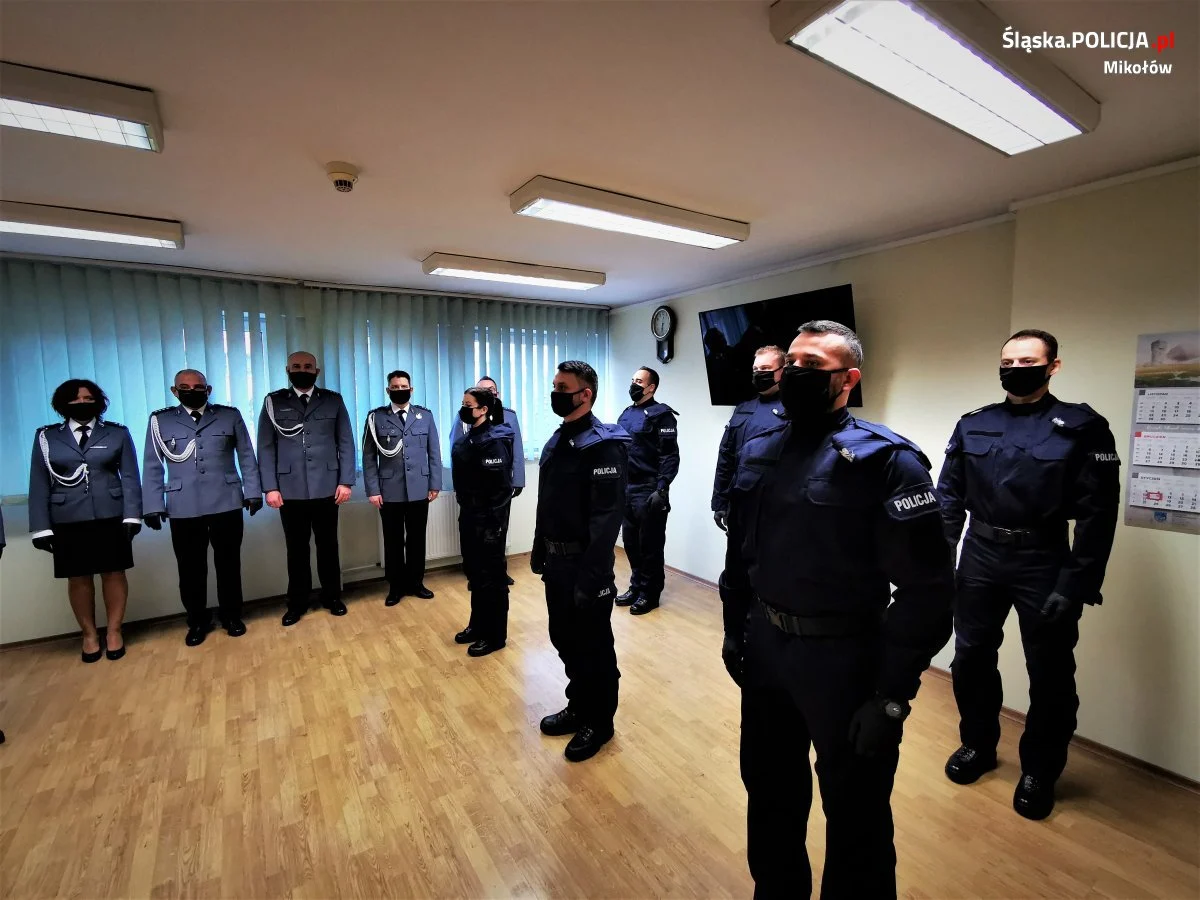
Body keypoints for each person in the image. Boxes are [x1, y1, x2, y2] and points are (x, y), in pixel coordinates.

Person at [725, 321, 954, 899]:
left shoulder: (888, 461)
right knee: (770, 793)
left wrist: (893, 695)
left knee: (856, 815)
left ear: (848, 380)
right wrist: (735, 630)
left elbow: (928, 590)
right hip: (769, 649)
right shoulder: (759, 448)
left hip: (846, 662)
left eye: (812, 367)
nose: (794, 374)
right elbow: (742, 554)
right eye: (791, 363)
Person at [938, 329, 1120, 821]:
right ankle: (977, 745)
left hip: (1043, 560)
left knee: (1051, 671)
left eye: (1027, 361)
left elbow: (1098, 514)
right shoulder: (975, 423)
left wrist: (1077, 582)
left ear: (1052, 366)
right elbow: (949, 496)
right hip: (980, 555)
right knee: (970, 659)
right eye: (1008, 362)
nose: (1016, 369)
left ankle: (1040, 769)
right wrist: (939, 563)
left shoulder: (1082, 427)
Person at [531, 360, 630, 762]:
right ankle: (579, 705)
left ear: (585, 394)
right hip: (557, 564)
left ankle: (599, 722)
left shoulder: (604, 445)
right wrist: (539, 549)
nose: (555, 393)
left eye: (563, 387)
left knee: (594, 648)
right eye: (555, 385)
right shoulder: (560, 440)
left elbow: (606, 521)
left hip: (585, 567)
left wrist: (593, 578)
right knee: (564, 638)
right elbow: (548, 503)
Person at [142, 369, 262, 646]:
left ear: (208, 390)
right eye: (184, 387)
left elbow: (246, 455)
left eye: (198, 387)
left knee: (229, 564)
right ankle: (197, 621)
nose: (192, 391)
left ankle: (231, 616)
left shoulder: (229, 415)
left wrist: (253, 492)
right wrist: (153, 505)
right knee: (190, 569)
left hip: (226, 501)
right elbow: (152, 464)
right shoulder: (160, 421)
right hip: (183, 506)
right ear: (174, 391)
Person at [28, 379, 143, 663]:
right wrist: (40, 527)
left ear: (98, 402)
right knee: (78, 578)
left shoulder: (116, 433)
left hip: (110, 514)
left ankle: (114, 631)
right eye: (75, 399)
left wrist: (133, 515)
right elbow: (39, 483)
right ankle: (89, 635)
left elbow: (130, 477)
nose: (82, 403)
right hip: (68, 518)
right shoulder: (46, 437)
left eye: (88, 398)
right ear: (63, 404)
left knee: (114, 573)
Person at [257, 351, 356, 626]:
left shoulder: (333, 400)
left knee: (328, 547)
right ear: (287, 370)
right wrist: (270, 487)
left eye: (308, 366)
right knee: (296, 550)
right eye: (297, 366)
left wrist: (345, 481)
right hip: (290, 490)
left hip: (327, 487)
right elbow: (265, 447)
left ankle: (332, 597)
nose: (302, 370)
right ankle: (297, 603)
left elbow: (345, 442)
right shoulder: (274, 402)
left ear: (317, 371)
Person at [362, 370, 442, 605]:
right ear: (388, 390)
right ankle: (395, 587)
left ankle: (416, 583)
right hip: (389, 491)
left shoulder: (425, 416)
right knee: (393, 541)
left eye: (403, 386)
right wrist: (373, 490)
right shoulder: (376, 418)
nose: (399, 390)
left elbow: (434, 453)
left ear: (411, 389)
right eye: (395, 387)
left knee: (417, 539)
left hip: (419, 489)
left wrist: (435, 484)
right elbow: (368, 457)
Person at [451, 387, 516, 656]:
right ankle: (477, 625)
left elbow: (501, 490)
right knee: (475, 575)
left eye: (469, 405)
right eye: (463, 403)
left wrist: (494, 527)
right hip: (469, 516)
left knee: (493, 579)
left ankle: (495, 635)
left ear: (484, 409)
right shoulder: (468, 440)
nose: (464, 409)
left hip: (489, 521)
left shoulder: (494, 441)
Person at [615, 366, 679, 615]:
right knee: (631, 542)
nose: (634, 384)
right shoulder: (627, 413)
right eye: (633, 380)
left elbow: (669, 455)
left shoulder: (662, 416)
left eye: (639, 381)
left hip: (649, 488)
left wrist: (662, 488)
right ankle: (636, 587)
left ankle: (650, 594)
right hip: (627, 488)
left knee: (649, 545)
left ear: (651, 387)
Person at [456, 376, 524, 586]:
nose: (488, 392)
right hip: (472, 497)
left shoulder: (507, 419)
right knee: (474, 546)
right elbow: (457, 447)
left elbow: (517, 450)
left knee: (496, 536)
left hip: (497, 493)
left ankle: (499, 572)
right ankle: (476, 575)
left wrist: (518, 479)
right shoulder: (465, 420)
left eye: (491, 389)